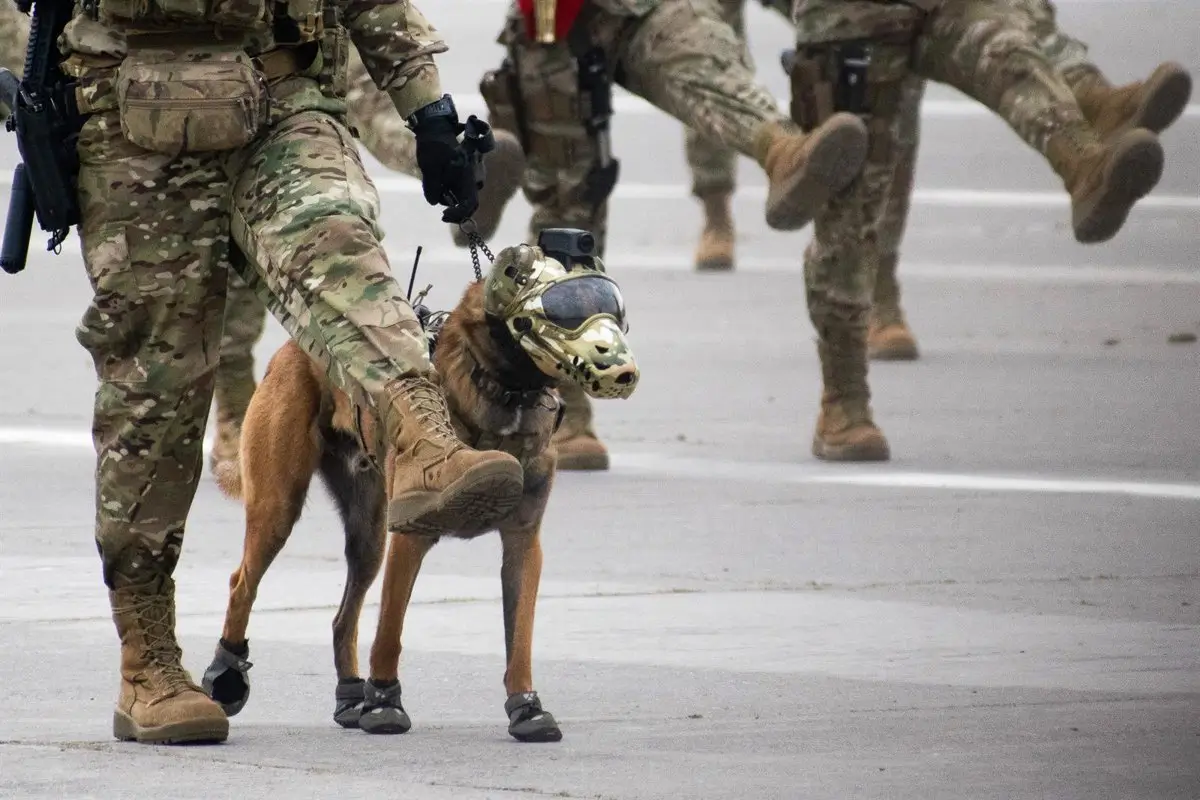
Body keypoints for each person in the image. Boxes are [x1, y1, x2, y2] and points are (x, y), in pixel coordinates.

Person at [43, 0, 528, 745]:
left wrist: (429, 110)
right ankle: (149, 663)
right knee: (155, 387)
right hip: (133, 111)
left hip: (286, 96)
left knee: (341, 250)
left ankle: (426, 445)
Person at [780, 0, 1187, 461]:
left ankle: (1086, 160)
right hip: (848, 20)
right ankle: (844, 400)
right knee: (849, 207)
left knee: (1005, 45)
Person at [481, 0, 874, 469]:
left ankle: (782, 150)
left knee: (702, 56)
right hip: (554, 21)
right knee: (568, 211)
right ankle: (565, 413)